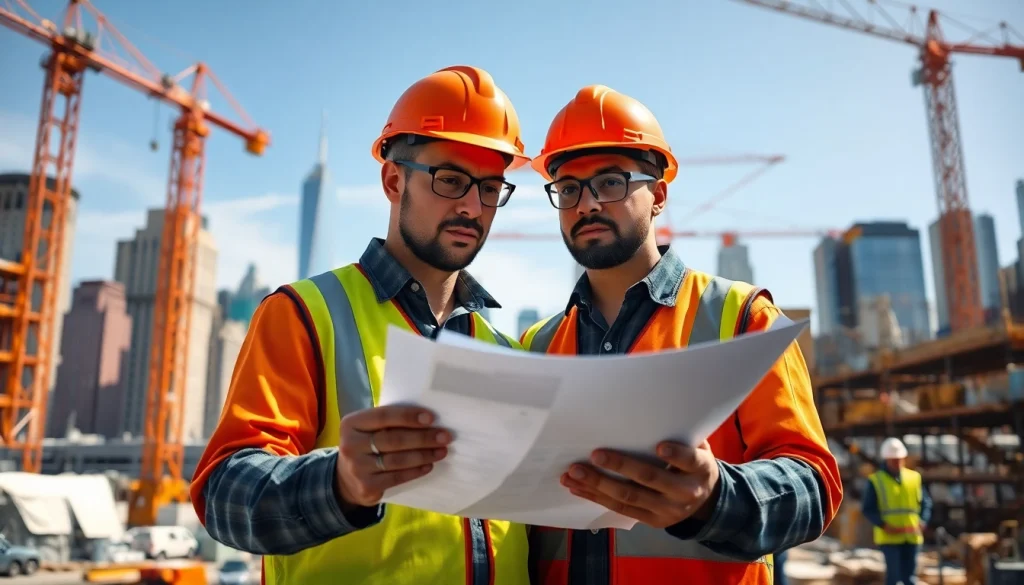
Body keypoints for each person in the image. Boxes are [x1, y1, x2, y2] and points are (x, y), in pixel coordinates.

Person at [191, 65, 533, 585]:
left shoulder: (505, 349)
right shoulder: (304, 314)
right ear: (394, 180)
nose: (472, 206)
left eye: (490, 188)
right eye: (450, 180)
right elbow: (225, 495)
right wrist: (339, 483)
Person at [520, 85, 844, 585]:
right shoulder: (537, 347)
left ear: (660, 197)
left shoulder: (742, 319)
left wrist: (719, 498)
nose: (585, 204)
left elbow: (815, 487)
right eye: (568, 189)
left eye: (609, 183)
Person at [862, 437, 932, 585]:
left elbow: (926, 502)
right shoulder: (876, 480)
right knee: (893, 579)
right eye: (894, 459)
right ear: (886, 459)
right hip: (889, 537)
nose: (897, 462)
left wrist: (923, 520)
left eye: (900, 459)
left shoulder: (914, 477)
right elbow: (868, 508)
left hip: (912, 535)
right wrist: (882, 524)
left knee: (910, 579)